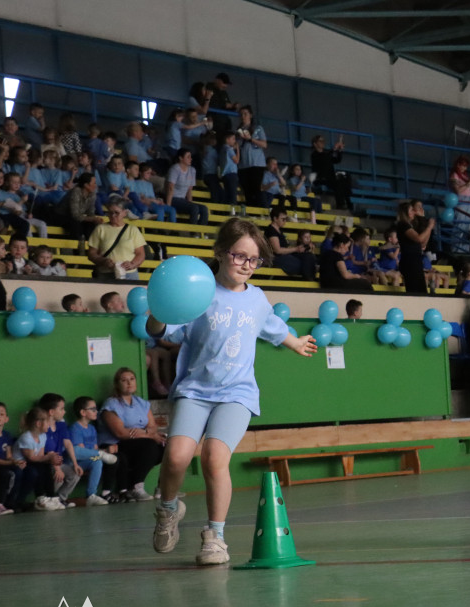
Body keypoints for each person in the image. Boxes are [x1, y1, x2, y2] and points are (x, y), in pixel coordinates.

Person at [147, 217, 317, 565]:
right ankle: (168, 510)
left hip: (237, 394)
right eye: (240, 256)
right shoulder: (199, 293)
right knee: (177, 456)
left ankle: (215, 538)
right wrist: (157, 315)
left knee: (213, 458)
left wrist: (295, 343)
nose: (247, 266)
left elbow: (272, 327)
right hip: (195, 391)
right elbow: (164, 329)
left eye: (254, 260)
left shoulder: (256, 299)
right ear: (221, 253)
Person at [98, 367, 165, 503]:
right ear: (117, 384)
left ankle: (163, 487)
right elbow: (121, 433)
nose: (129, 383)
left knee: (166, 445)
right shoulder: (111, 404)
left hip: (140, 441)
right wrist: (149, 435)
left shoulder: (141, 403)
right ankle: (135, 486)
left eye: (132, 379)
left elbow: (152, 426)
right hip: (117, 445)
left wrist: (145, 432)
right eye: (124, 380)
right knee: (150, 445)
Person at [68, 395, 118, 506]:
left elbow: (94, 448)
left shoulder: (92, 428)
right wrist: (101, 452)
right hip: (76, 461)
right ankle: (101, 455)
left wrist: (106, 450)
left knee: (97, 461)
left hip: (90, 458)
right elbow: (79, 452)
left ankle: (91, 495)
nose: (96, 411)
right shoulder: (75, 428)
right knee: (86, 453)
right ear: (83, 412)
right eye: (93, 409)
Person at [87, 196, 147, 280]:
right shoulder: (100, 229)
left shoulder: (132, 230)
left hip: (129, 274)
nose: (113, 215)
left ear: (125, 213)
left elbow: (140, 254)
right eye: (110, 212)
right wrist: (103, 261)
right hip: (106, 273)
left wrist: (132, 264)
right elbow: (91, 253)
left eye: (116, 212)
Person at [264, 206, 316, 280]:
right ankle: (308, 280)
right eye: (283, 219)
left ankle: (309, 279)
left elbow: (285, 248)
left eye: (286, 219)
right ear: (275, 218)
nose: (285, 221)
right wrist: (296, 249)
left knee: (308, 256)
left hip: (284, 256)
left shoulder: (279, 231)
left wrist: (300, 248)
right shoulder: (271, 231)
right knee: (302, 264)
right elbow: (277, 250)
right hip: (276, 258)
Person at [396, 200, 434, 294]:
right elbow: (419, 238)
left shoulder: (412, 226)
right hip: (409, 261)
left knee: (421, 289)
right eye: (412, 210)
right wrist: (429, 227)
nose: (414, 212)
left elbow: (423, 244)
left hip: (416, 260)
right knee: (414, 289)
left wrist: (428, 227)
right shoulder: (403, 225)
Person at [54, 172, 104, 242]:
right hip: (62, 216)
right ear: (86, 185)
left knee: (91, 225)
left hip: (75, 217)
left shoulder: (92, 194)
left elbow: (91, 212)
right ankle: (75, 250)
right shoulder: (76, 191)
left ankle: (89, 248)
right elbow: (75, 215)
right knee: (76, 225)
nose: (96, 185)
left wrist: (95, 220)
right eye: (94, 183)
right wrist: (92, 219)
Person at [165, 149, 209, 225]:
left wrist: (189, 203)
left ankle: (201, 232)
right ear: (181, 158)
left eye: (190, 157)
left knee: (204, 209)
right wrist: (168, 206)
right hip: (174, 199)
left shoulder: (192, 170)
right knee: (194, 208)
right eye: (188, 157)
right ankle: (193, 232)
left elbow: (189, 190)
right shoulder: (175, 169)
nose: (190, 159)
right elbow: (170, 188)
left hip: (183, 200)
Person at [236, 105, 267, 208]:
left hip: (256, 164)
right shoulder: (237, 131)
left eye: (245, 114)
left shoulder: (258, 128)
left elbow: (264, 144)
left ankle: (259, 210)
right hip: (243, 165)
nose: (243, 116)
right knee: (246, 190)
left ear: (250, 115)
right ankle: (251, 211)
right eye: (241, 114)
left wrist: (250, 139)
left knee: (255, 188)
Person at [310, 134, 351, 211]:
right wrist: (334, 149)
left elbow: (336, 160)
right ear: (315, 144)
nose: (323, 142)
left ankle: (347, 203)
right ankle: (340, 204)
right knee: (337, 183)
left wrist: (339, 151)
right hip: (321, 178)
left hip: (330, 177)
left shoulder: (326, 153)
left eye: (323, 141)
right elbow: (323, 159)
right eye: (320, 141)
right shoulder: (314, 155)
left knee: (344, 179)